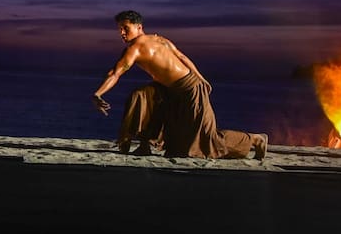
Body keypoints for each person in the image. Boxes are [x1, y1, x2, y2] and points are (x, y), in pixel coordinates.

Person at [92, 10, 267, 161]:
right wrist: (98, 94)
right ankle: (145, 144)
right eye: (120, 29)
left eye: (126, 28)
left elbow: (181, 57)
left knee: (207, 140)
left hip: (190, 88)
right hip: (171, 91)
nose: (122, 33)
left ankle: (255, 139)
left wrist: (200, 79)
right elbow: (115, 72)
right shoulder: (158, 40)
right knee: (142, 96)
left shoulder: (136, 48)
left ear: (139, 27)